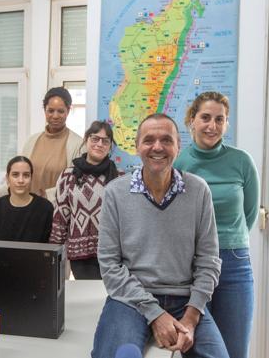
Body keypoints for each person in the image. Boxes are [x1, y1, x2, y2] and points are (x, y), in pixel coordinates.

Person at [92, 113, 229, 358]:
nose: (157, 147)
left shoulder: (199, 191)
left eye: (166, 140)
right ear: (137, 147)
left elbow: (209, 260)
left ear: (178, 146)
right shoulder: (115, 193)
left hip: (185, 300)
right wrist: (154, 313)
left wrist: (192, 316)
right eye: (149, 140)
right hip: (130, 300)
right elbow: (110, 265)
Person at [174, 91, 260, 358]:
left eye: (219, 119)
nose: (212, 126)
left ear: (226, 123)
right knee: (197, 350)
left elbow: (250, 213)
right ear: (192, 120)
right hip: (193, 266)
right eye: (206, 118)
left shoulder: (242, 161)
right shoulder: (180, 163)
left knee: (234, 351)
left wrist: (227, 239)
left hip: (234, 264)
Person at [0, 87, 83, 214]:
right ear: (44, 111)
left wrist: (46, 195)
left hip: (57, 216)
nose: (55, 116)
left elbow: (75, 185)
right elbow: (18, 178)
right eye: (50, 110)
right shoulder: (32, 141)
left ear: (68, 110)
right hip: (28, 213)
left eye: (60, 111)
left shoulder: (78, 145)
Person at [49, 121, 122, 279]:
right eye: (95, 138)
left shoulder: (119, 178)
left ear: (110, 146)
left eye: (105, 141)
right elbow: (61, 218)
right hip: (80, 257)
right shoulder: (68, 176)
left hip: (113, 255)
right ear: (86, 140)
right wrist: (54, 252)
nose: (99, 144)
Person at [0, 156, 53, 242]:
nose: (21, 180)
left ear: (31, 178)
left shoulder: (45, 209)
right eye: (15, 175)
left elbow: (51, 249)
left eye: (26, 175)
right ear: (7, 179)